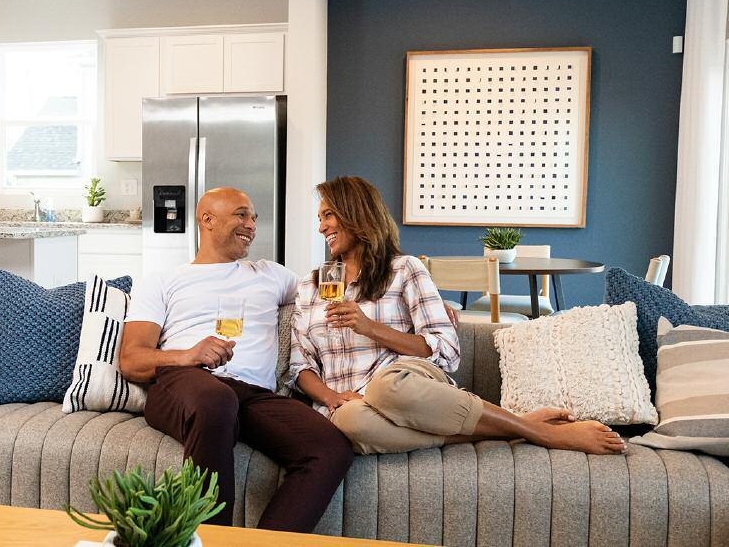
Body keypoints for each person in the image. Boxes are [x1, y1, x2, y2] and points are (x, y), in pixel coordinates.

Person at [288, 176, 627, 456]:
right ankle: (521, 427)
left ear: (356, 213)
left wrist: (370, 328)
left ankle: (546, 435)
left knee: (385, 387)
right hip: (351, 403)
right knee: (349, 424)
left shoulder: (404, 270)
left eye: (328, 215)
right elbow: (300, 365)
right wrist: (331, 398)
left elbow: (446, 350)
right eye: (319, 218)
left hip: (403, 384)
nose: (321, 227)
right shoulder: (310, 286)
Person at [120, 187, 354, 533]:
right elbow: (131, 359)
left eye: (254, 218)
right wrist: (188, 355)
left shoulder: (271, 274)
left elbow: (343, 287)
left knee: (331, 447)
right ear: (207, 219)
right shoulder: (163, 280)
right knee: (216, 400)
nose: (252, 225)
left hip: (252, 394)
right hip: (184, 383)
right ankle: (209, 539)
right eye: (242, 215)